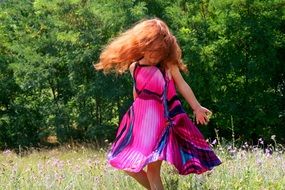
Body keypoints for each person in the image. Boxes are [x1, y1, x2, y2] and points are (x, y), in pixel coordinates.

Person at [95, 18, 221, 190]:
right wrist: (135, 122)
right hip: (140, 124)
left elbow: (182, 85)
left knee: (153, 170)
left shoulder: (167, 66)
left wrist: (196, 107)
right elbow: (137, 94)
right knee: (124, 163)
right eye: (152, 51)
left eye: (160, 52)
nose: (155, 56)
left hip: (162, 123)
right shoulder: (135, 68)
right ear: (142, 46)